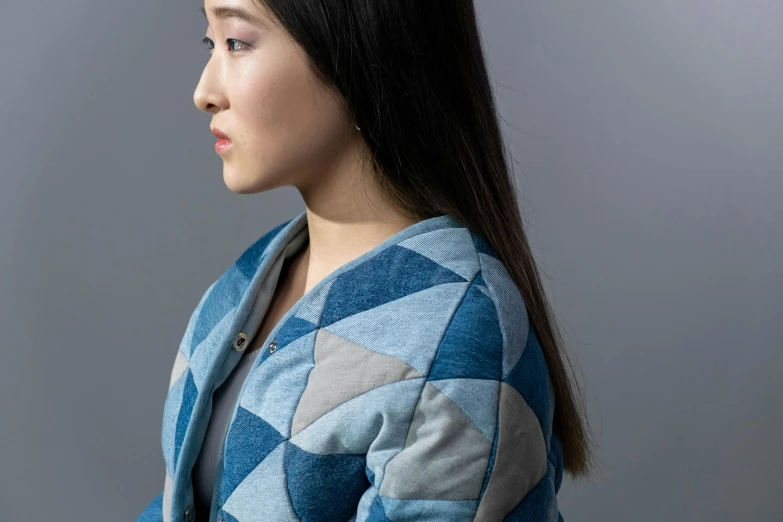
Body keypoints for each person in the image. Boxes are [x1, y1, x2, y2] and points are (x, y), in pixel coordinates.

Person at [137, 0, 594, 520]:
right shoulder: (248, 280)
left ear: (355, 49)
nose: (204, 93)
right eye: (209, 43)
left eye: (237, 42)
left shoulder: (458, 336)